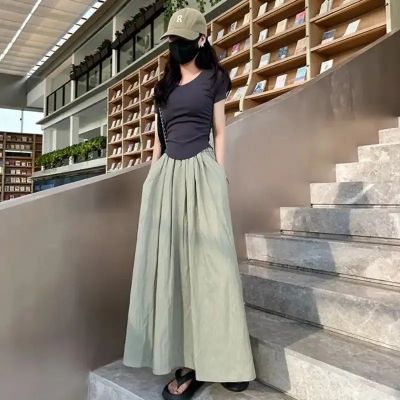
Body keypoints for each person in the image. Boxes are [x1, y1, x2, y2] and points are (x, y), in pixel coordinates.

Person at [122, 7, 256, 400]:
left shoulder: (215, 78)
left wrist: (220, 176)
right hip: (166, 179)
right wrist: (151, 180)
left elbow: (220, 131)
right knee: (173, 271)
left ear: (201, 39)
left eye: (183, 40)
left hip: (201, 172)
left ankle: (226, 358)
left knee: (214, 271)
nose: (177, 47)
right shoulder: (162, 87)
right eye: (173, 41)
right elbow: (158, 141)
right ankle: (186, 360)